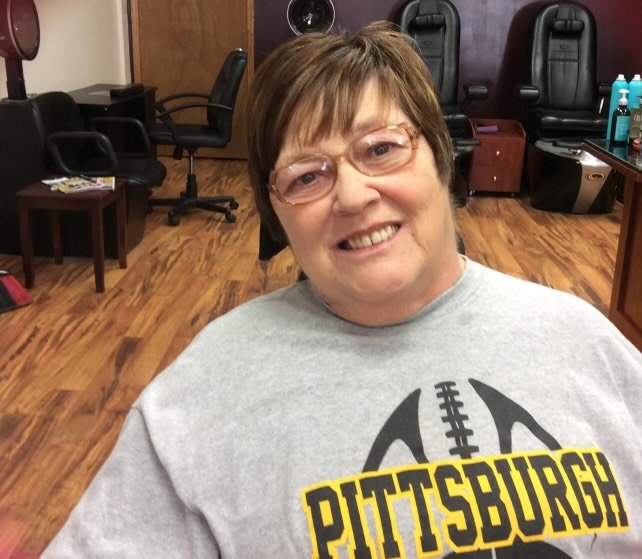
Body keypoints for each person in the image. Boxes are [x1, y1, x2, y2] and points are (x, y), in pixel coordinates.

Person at [44, 22, 642, 559]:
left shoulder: (585, 345)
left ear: (442, 158)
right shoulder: (200, 398)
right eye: (307, 176)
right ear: (278, 217)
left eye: (382, 149)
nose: (352, 197)